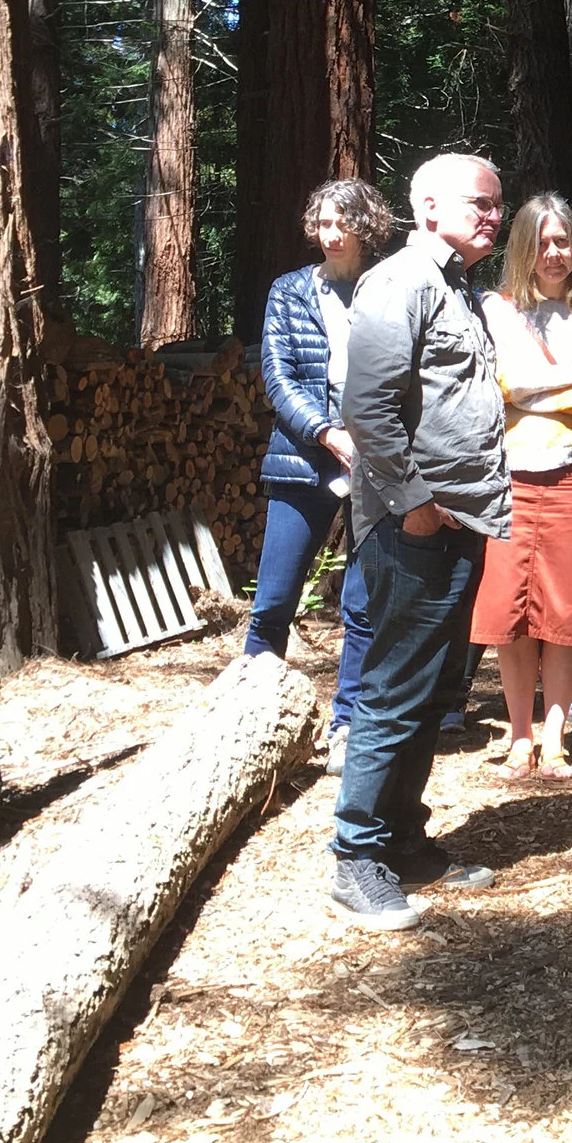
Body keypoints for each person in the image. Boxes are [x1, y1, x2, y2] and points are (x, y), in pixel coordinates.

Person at [329, 154, 511, 930]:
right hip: (415, 526)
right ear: (428, 206)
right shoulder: (400, 280)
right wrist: (415, 505)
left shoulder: (455, 288)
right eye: (481, 203)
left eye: (499, 205)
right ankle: (355, 855)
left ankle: (404, 840)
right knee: (395, 689)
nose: (494, 217)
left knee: (435, 694)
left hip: (458, 523)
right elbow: (366, 407)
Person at [243, 180, 389, 775]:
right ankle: (251, 721)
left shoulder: (389, 287)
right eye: (323, 223)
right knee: (274, 599)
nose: (331, 234)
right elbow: (278, 379)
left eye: (343, 223)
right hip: (305, 457)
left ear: (365, 228)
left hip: (378, 462)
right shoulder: (290, 291)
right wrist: (330, 434)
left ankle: (347, 725)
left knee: (361, 603)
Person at [475, 193, 572, 781]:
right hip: (508, 479)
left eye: (562, 241)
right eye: (542, 241)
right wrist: (567, 381)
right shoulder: (497, 309)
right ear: (523, 248)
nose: (553, 252)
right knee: (510, 613)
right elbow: (497, 384)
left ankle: (556, 737)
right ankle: (519, 735)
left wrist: (533, 390)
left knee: (565, 612)